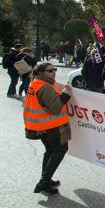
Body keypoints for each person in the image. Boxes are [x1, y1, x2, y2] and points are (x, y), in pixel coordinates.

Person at [23, 62, 73, 195]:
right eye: (50, 71)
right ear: (41, 73)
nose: (54, 72)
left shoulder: (36, 82)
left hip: (38, 126)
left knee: (50, 150)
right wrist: (66, 93)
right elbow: (56, 107)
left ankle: (46, 179)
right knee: (60, 150)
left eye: (55, 69)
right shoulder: (44, 87)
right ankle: (44, 182)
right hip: (49, 126)